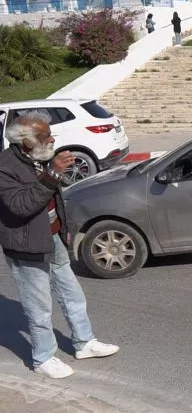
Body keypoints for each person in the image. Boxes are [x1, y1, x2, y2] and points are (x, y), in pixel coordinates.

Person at [0, 111, 119, 379]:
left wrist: (64, 228)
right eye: (46, 136)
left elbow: (52, 198)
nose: (52, 139)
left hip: (51, 237)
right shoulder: (5, 167)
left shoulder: (39, 156)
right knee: (39, 306)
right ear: (26, 142)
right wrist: (53, 173)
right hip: (26, 246)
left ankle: (84, 342)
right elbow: (21, 206)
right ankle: (42, 358)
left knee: (71, 292)